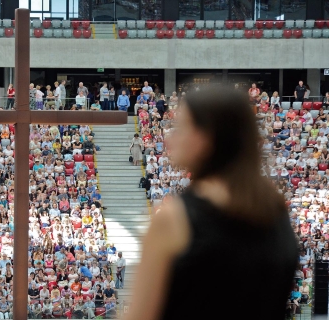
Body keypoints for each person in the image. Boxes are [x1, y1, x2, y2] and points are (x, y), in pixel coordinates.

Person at [126, 88, 299, 320]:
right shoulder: (275, 210)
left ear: (206, 138)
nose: (170, 137)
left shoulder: (174, 219)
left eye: (182, 127)